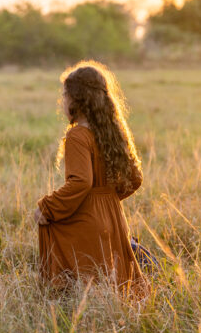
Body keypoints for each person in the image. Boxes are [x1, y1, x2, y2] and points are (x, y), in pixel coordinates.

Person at [32, 61, 148, 298]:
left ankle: (62, 297)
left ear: (75, 99)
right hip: (114, 217)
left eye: (64, 95)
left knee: (48, 223)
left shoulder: (77, 135)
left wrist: (47, 207)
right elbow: (135, 178)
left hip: (90, 219)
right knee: (116, 291)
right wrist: (108, 199)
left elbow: (80, 183)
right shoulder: (114, 130)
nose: (62, 102)